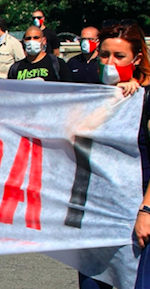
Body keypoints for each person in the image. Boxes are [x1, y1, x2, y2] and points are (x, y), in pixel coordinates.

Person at [92, 23, 147, 289]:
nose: (110, 62)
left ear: (136, 58)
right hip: (96, 213)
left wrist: (146, 211)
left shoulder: (145, 98)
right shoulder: (87, 93)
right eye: (104, 54)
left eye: (119, 56)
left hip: (136, 214)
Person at [7, 26, 71, 82]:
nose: (32, 41)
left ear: (44, 41)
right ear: (24, 41)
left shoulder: (56, 64)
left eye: (36, 38)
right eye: (28, 38)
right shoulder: (15, 68)